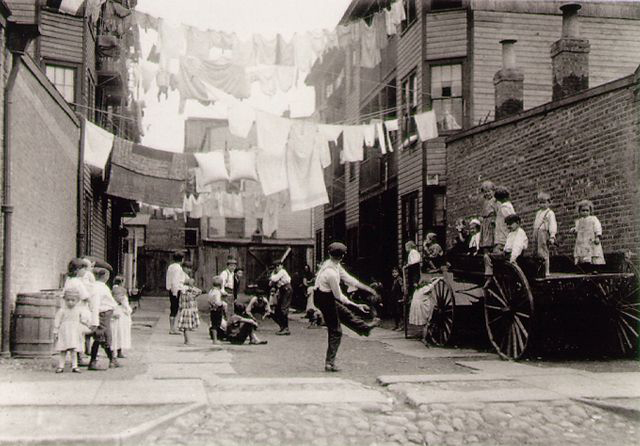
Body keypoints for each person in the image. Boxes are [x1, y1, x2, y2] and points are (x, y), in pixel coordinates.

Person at [314, 242, 378, 372]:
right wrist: (357, 305)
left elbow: (349, 279)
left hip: (324, 296)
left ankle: (365, 328)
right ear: (342, 256)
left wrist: (368, 289)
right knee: (336, 330)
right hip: (324, 298)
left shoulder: (333, 264)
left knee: (345, 313)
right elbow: (339, 296)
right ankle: (329, 363)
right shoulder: (331, 273)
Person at [88, 268, 120, 370]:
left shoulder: (96, 286)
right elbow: (97, 303)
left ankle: (111, 359)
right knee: (102, 337)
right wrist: (95, 320)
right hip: (103, 314)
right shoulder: (100, 288)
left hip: (105, 314)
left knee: (103, 336)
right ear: (105, 277)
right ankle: (99, 361)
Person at [63, 258, 93, 366]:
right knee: (80, 334)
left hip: (69, 311)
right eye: (83, 269)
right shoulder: (78, 282)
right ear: (77, 270)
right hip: (79, 310)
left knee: (74, 334)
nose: (85, 272)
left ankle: (76, 357)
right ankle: (79, 357)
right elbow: (85, 296)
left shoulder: (68, 281)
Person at [53, 289, 91, 373]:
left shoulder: (78, 310)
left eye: (73, 300)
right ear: (64, 300)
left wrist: (87, 324)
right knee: (63, 349)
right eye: (68, 300)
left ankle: (75, 366)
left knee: (74, 349)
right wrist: (56, 331)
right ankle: (61, 366)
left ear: (77, 301)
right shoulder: (62, 311)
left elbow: (83, 319)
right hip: (64, 331)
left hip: (74, 331)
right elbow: (57, 321)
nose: (70, 302)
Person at [571, 199, 605, 267]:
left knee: (593, 252)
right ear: (579, 211)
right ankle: (584, 266)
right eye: (583, 210)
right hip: (582, 241)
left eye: (587, 210)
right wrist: (574, 230)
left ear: (590, 211)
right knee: (582, 253)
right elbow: (577, 229)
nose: (585, 212)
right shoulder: (578, 221)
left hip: (590, 239)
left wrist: (597, 236)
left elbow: (597, 227)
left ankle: (594, 267)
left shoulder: (593, 219)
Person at [533, 192, 557, 276]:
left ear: (549, 202)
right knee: (537, 252)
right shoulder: (538, 213)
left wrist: (552, 236)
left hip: (543, 233)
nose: (542, 204)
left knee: (544, 251)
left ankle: (546, 270)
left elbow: (552, 224)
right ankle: (539, 270)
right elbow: (536, 224)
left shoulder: (550, 213)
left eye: (544, 202)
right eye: (540, 202)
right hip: (537, 233)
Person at [269, 260, 293, 336]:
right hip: (282, 290)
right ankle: (282, 327)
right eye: (276, 266)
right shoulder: (278, 273)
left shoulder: (282, 271)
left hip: (287, 289)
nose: (277, 267)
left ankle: (286, 328)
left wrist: (272, 274)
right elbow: (270, 283)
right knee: (278, 309)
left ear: (281, 266)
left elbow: (274, 279)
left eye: (278, 266)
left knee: (283, 308)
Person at [111, 276, 132, 359]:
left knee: (115, 333)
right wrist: (129, 310)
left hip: (114, 311)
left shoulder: (112, 290)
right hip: (122, 313)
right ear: (121, 282)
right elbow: (125, 304)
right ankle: (119, 351)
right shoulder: (122, 291)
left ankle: (113, 351)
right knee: (121, 333)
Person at [177, 278, 202, 346]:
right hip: (189, 310)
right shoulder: (190, 292)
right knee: (188, 327)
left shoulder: (182, 292)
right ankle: (188, 341)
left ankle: (186, 340)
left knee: (185, 327)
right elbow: (199, 291)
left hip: (184, 310)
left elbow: (180, 303)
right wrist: (191, 288)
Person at [165, 252, 185, 335]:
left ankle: (173, 327)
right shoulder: (178, 268)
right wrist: (175, 292)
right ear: (182, 259)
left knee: (173, 308)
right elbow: (175, 281)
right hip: (175, 290)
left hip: (171, 289)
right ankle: (172, 328)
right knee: (174, 309)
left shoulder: (171, 266)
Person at [493, 185, 516, 253]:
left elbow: (511, 219)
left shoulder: (504, 207)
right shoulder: (508, 205)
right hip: (504, 236)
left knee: (499, 253)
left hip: (503, 237)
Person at [479, 181, 497, 252]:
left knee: (492, 239)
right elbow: (483, 212)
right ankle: (486, 251)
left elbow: (496, 212)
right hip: (485, 223)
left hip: (491, 222)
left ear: (493, 191)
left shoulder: (494, 201)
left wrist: (494, 219)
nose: (487, 194)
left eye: (489, 191)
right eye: (485, 192)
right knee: (485, 241)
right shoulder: (485, 202)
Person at [207, 276, 227, 345]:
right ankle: (215, 340)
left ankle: (215, 338)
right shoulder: (217, 292)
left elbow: (208, 300)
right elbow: (218, 302)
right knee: (216, 324)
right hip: (217, 309)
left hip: (212, 309)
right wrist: (222, 303)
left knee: (213, 323)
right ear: (220, 285)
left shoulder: (211, 291)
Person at [390, 267, 404, 331]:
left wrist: (402, 297)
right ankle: (396, 325)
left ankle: (401, 326)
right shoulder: (394, 280)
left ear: (398, 273)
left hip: (399, 297)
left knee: (399, 312)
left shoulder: (400, 279)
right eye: (393, 272)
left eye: (395, 272)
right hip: (394, 297)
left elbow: (402, 289)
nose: (394, 274)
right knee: (395, 312)